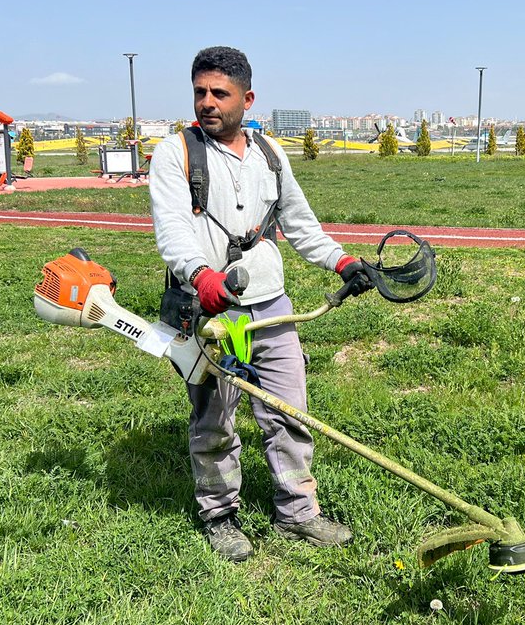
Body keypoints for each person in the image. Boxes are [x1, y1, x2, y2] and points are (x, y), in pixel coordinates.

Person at [149, 46, 373, 562]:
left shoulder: (269, 153)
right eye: (200, 92)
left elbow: (299, 222)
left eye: (219, 93)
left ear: (247, 99)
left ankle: (298, 512)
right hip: (210, 311)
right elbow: (173, 230)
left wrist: (342, 261)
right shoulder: (175, 153)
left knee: (290, 412)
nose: (207, 102)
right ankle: (219, 515)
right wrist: (199, 276)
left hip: (272, 304)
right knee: (215, 419)